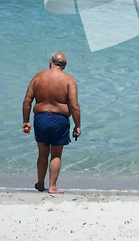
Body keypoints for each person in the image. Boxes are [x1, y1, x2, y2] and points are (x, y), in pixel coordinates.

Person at [22, 52, 81, 194]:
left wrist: (26, 121)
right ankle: (52, 186)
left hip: (40, 119)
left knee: (42, 153)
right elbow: (74, 106)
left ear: (50, 62)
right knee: (56, 155)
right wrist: (77, 125)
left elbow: (27, 101)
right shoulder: (69, 80)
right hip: (59, 120)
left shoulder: (38, 77)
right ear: (64, 65)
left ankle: (40, 184)